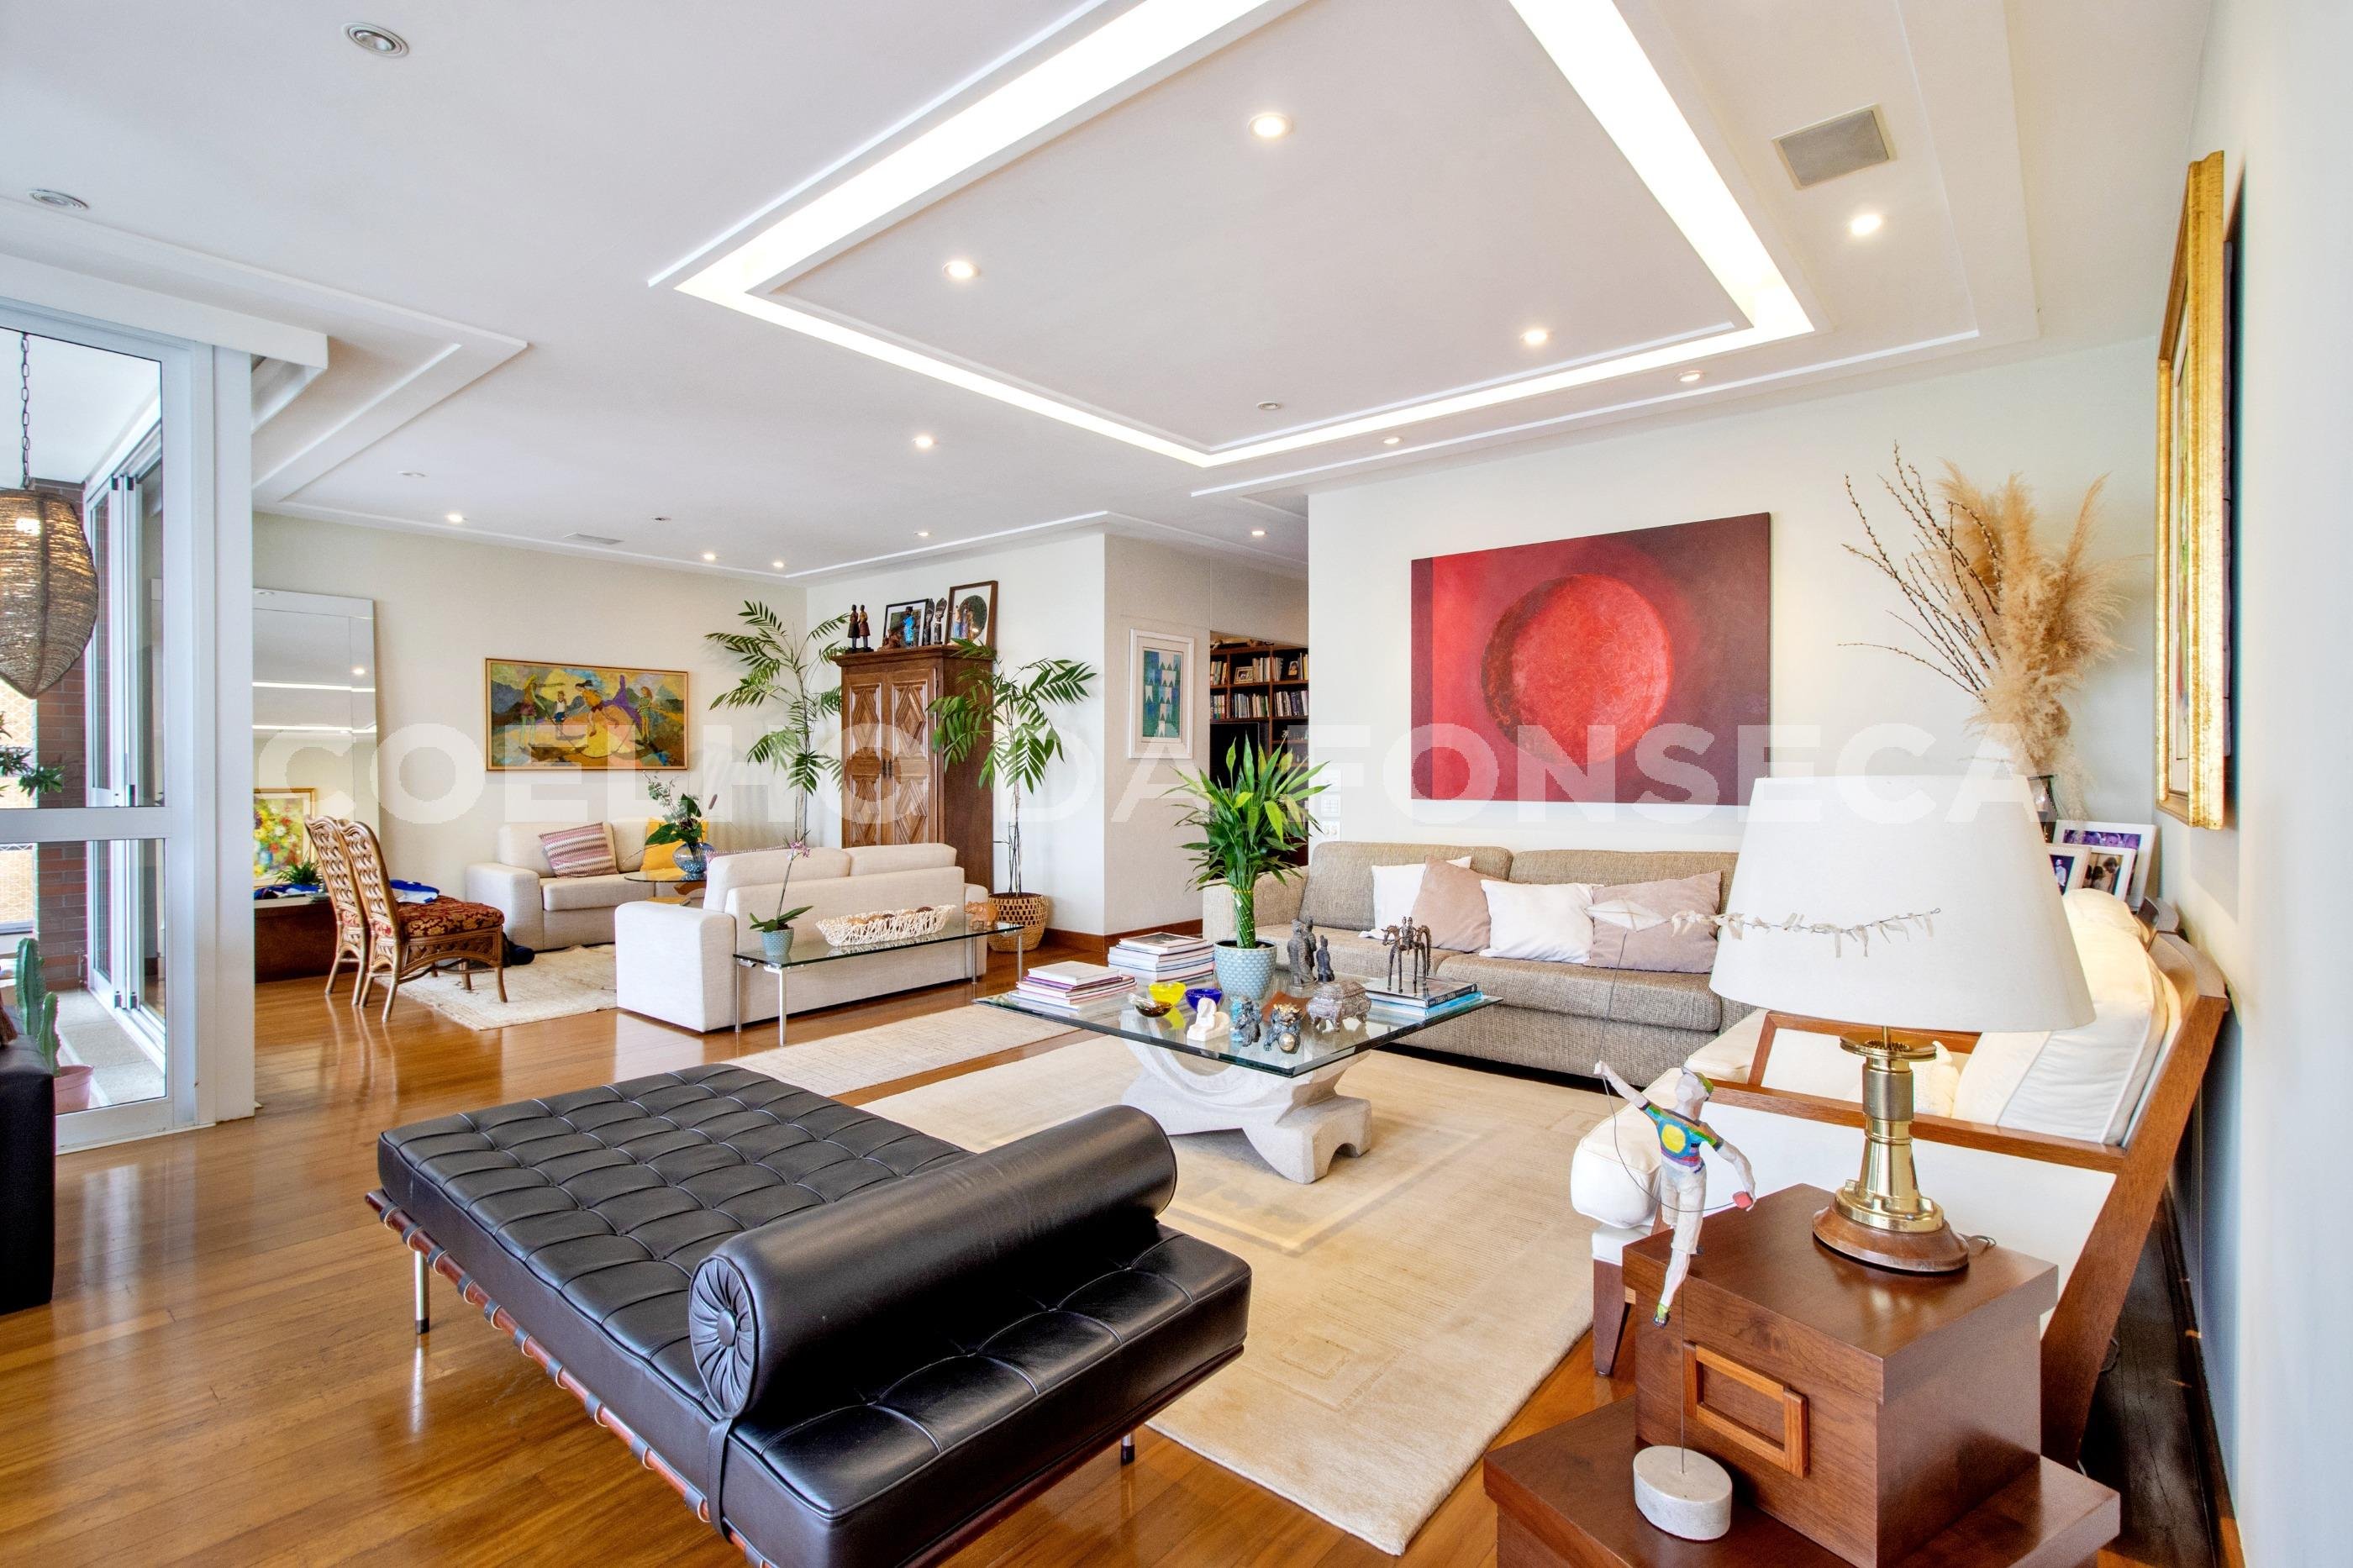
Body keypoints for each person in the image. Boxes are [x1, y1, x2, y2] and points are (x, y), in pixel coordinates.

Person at [1595, 1060, 1756, 1325]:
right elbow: (1633, 1096)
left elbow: (1735, 1157)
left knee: (1681, 1248)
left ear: (1702, 1095)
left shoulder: (1700, 1131)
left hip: (1692, 1183)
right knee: (1672, 1220)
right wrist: (1608, 1072)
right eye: (1685, 1078)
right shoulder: (1661, 1115)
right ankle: (1688, 1238)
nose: (1685, 1082)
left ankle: (1664, 1305)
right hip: (1669, 1177)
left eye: (1693, 1081)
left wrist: (1749, 1185)